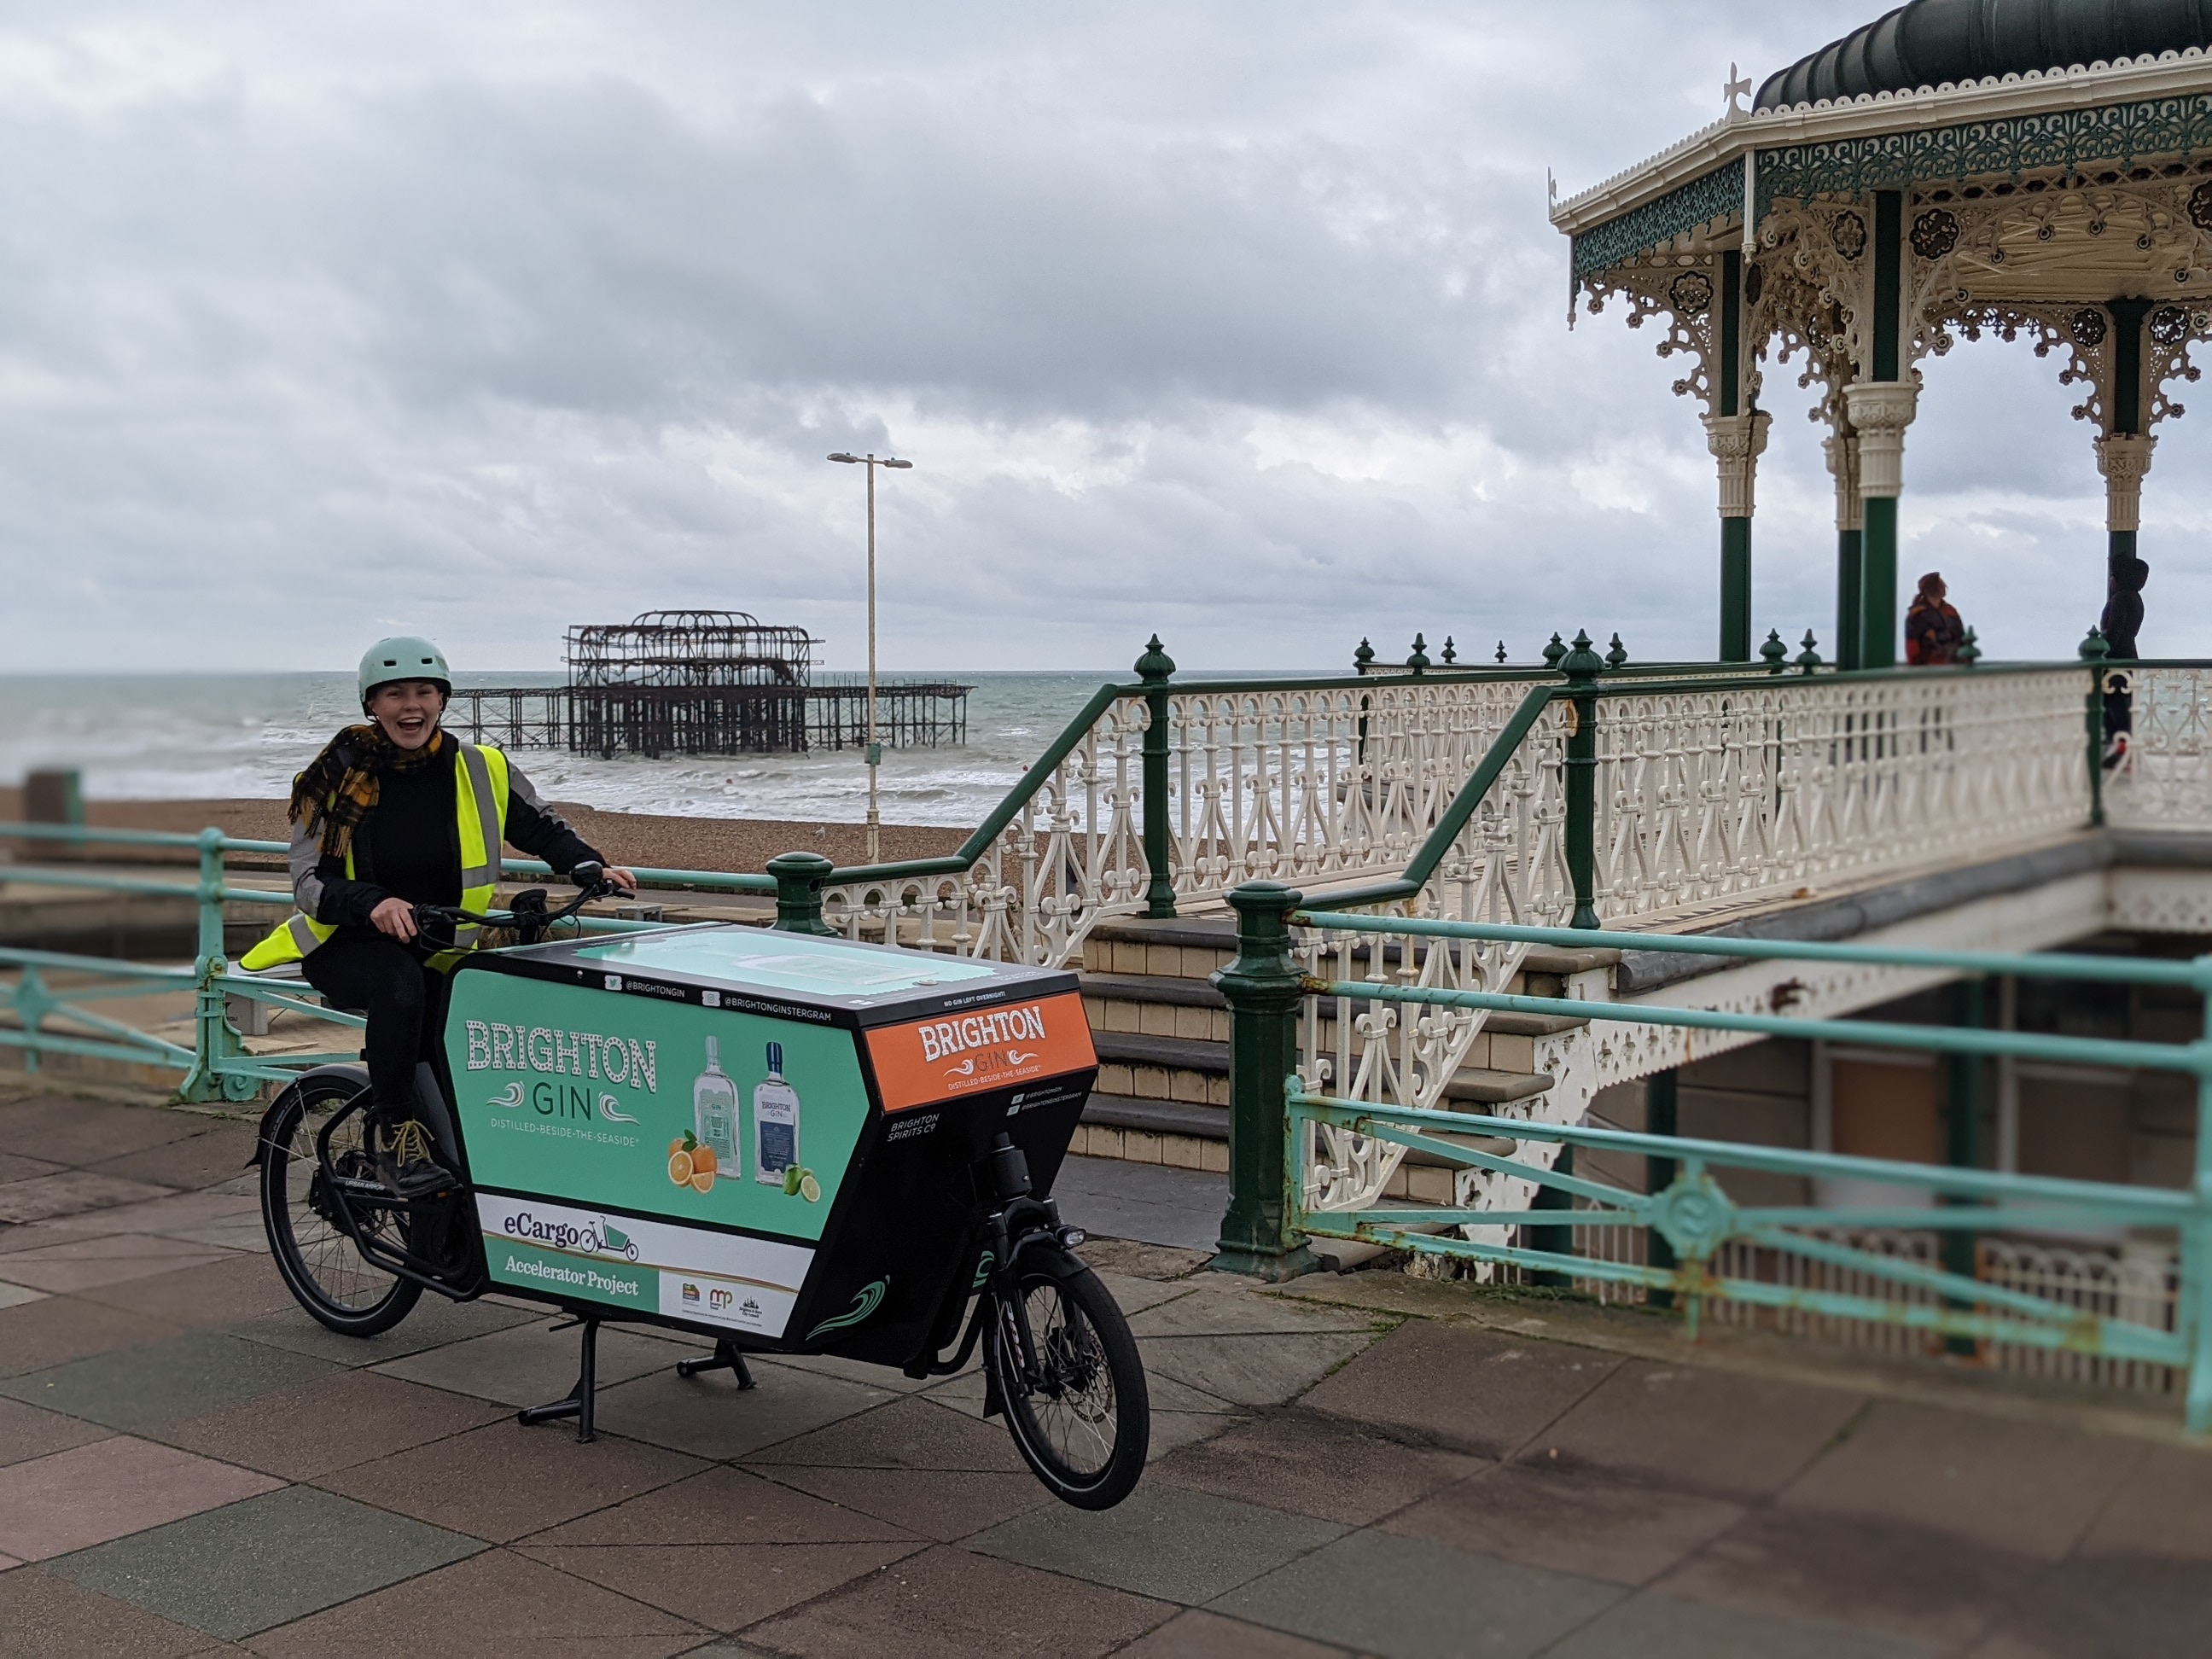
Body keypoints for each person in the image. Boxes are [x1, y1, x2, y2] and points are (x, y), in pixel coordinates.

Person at [242, 637, 637, 1196]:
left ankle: (456, 1187)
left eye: (424, 692)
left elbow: (539, 827)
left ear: (443, 699)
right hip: (346, 946)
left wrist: (590, 867)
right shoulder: (334, 777)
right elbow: (310, 882)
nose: (411, 706)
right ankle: (397, 1138)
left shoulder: (481, 768)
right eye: (395, 694)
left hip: (444, 947)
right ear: (370, 706)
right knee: (401, 987)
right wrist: (373, 903)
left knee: (468, 1043)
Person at [1904, 572, 1965, 666]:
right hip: (1928, 668)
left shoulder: (1950, 611)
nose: (1944, 586)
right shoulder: (1917, 615)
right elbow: (1912, 648)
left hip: (1954, 665)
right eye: (1939, 584)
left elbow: (1962, 638)